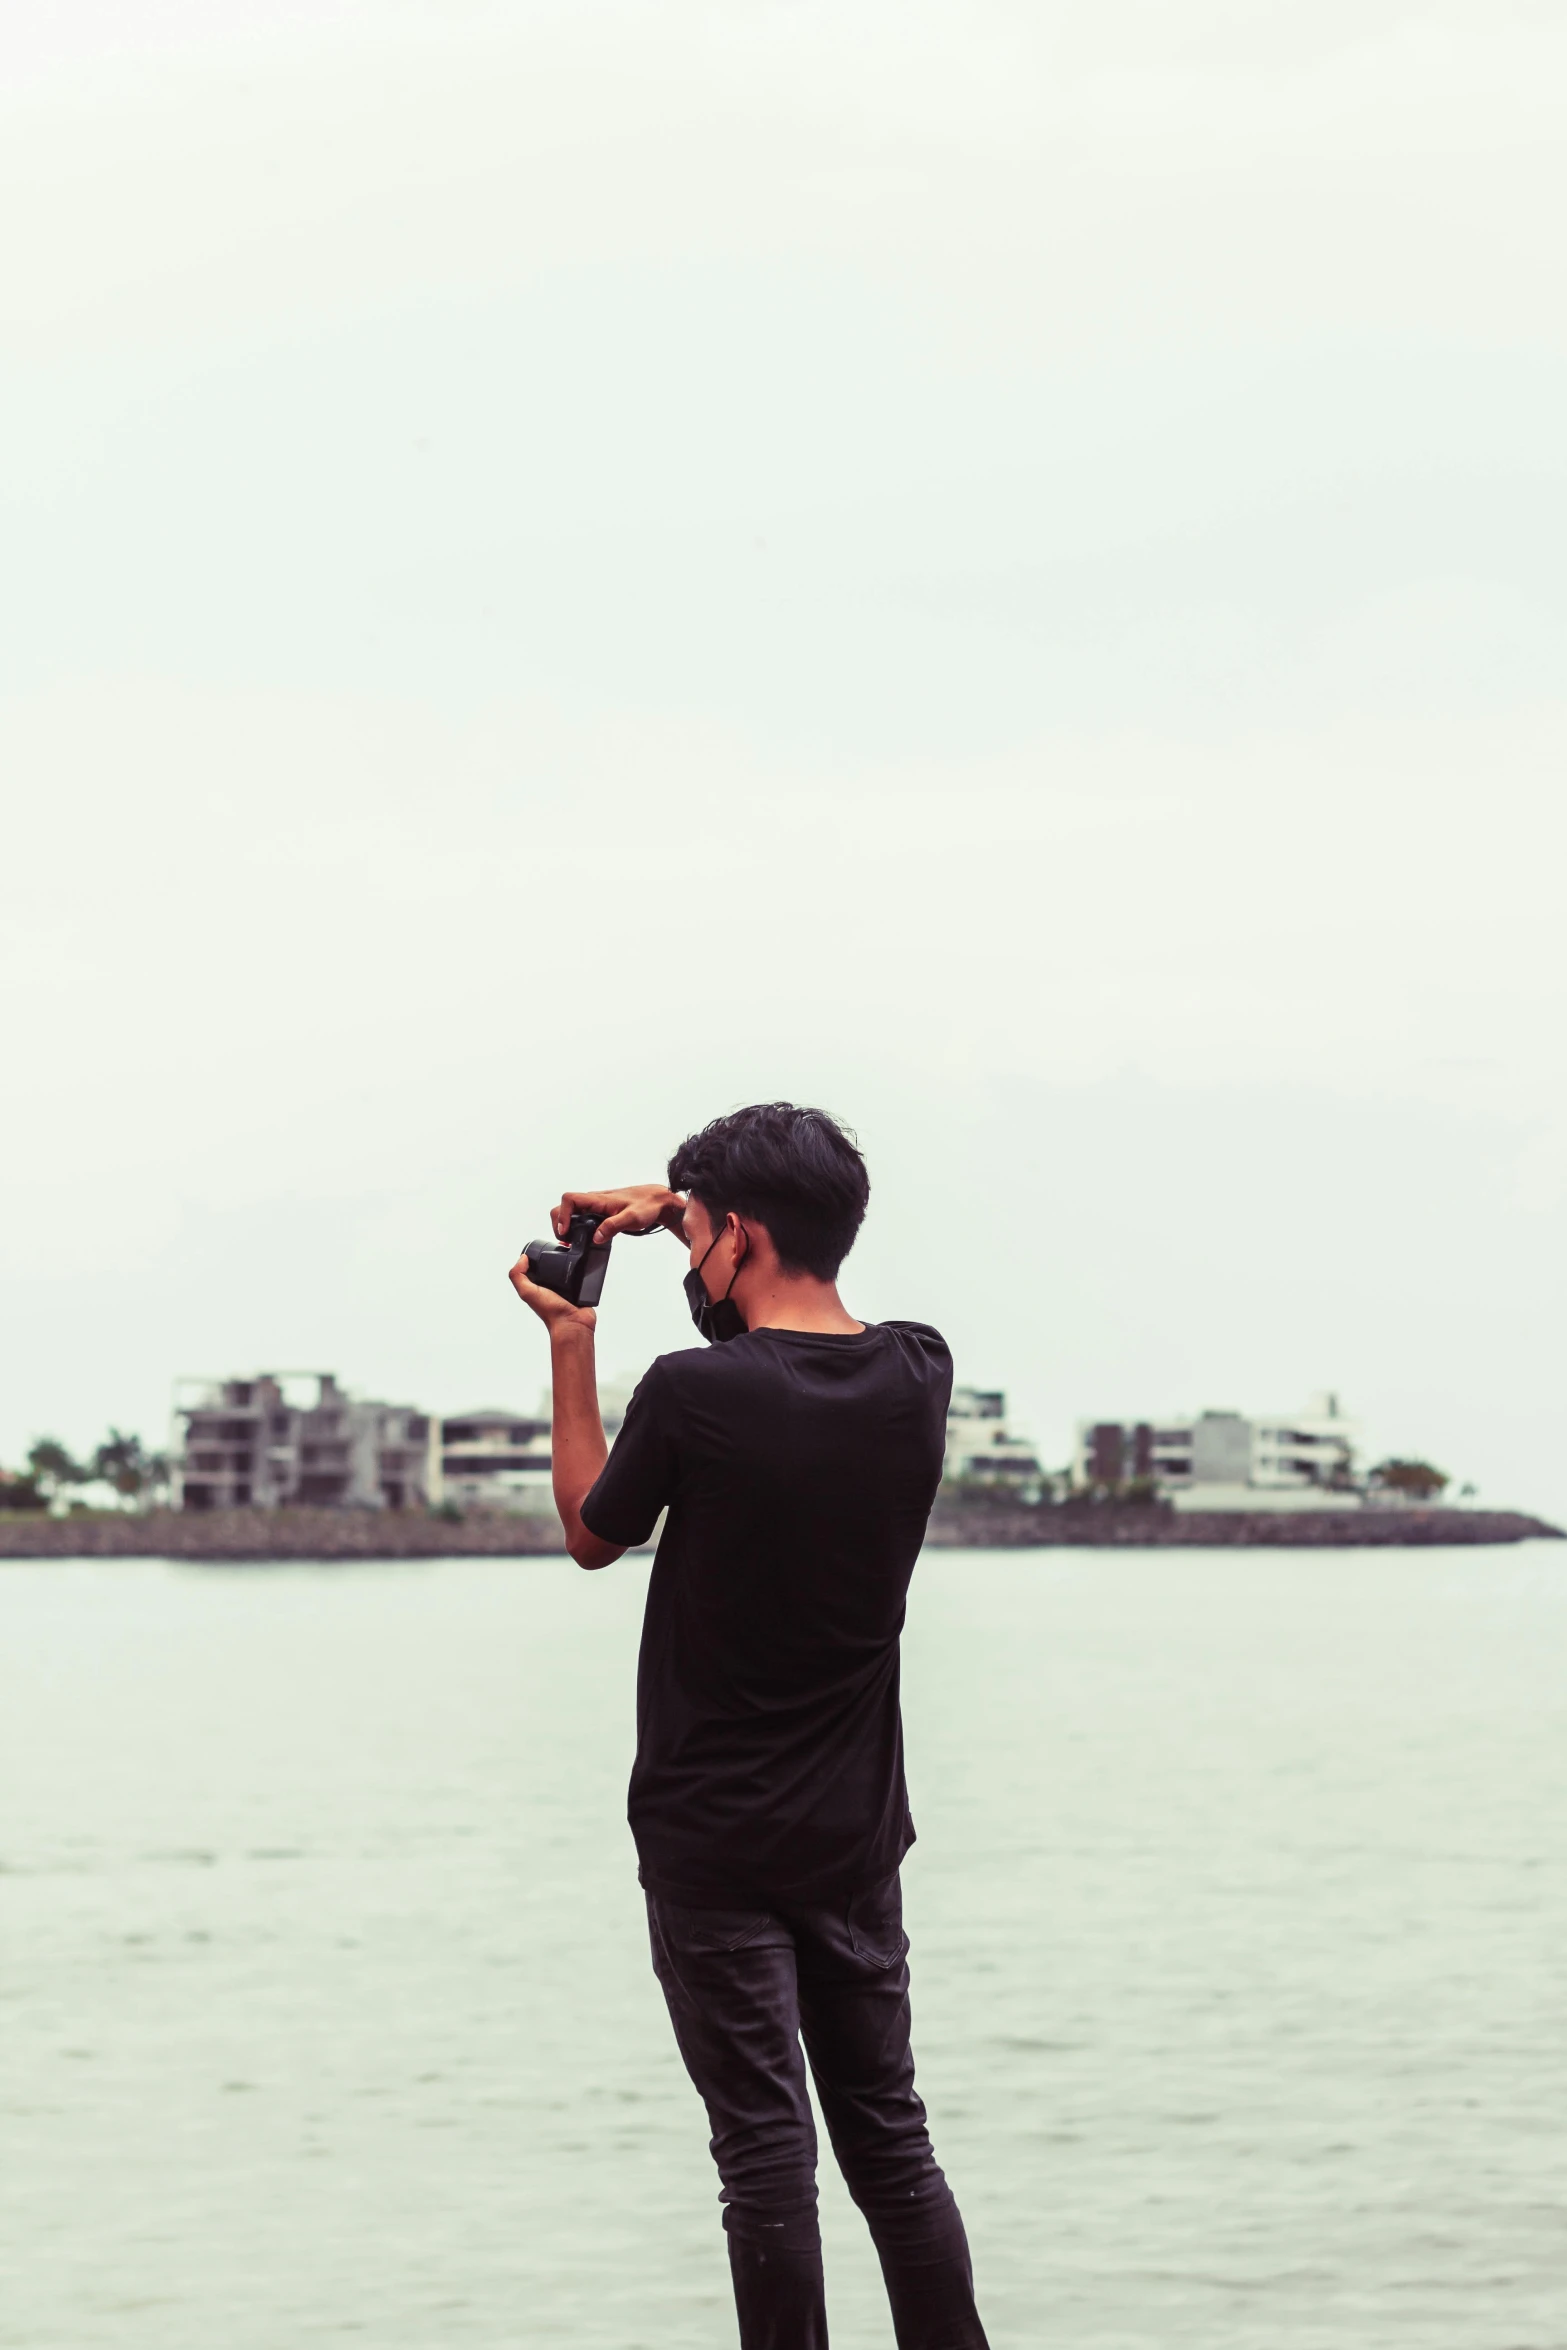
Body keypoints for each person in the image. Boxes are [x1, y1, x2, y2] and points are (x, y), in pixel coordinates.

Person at [508, 1102, 988, 2350]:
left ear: (745, 1235)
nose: (689, 1265)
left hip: (713, 1842)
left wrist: (572, 1336)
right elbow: (781, 1288)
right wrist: (679, 1207)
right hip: (852, 1833)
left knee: (764, 2155)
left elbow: (589, 1531)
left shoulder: (691, 1394)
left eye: (698, 1239)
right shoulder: (918, 1369)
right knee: (890, 2139)